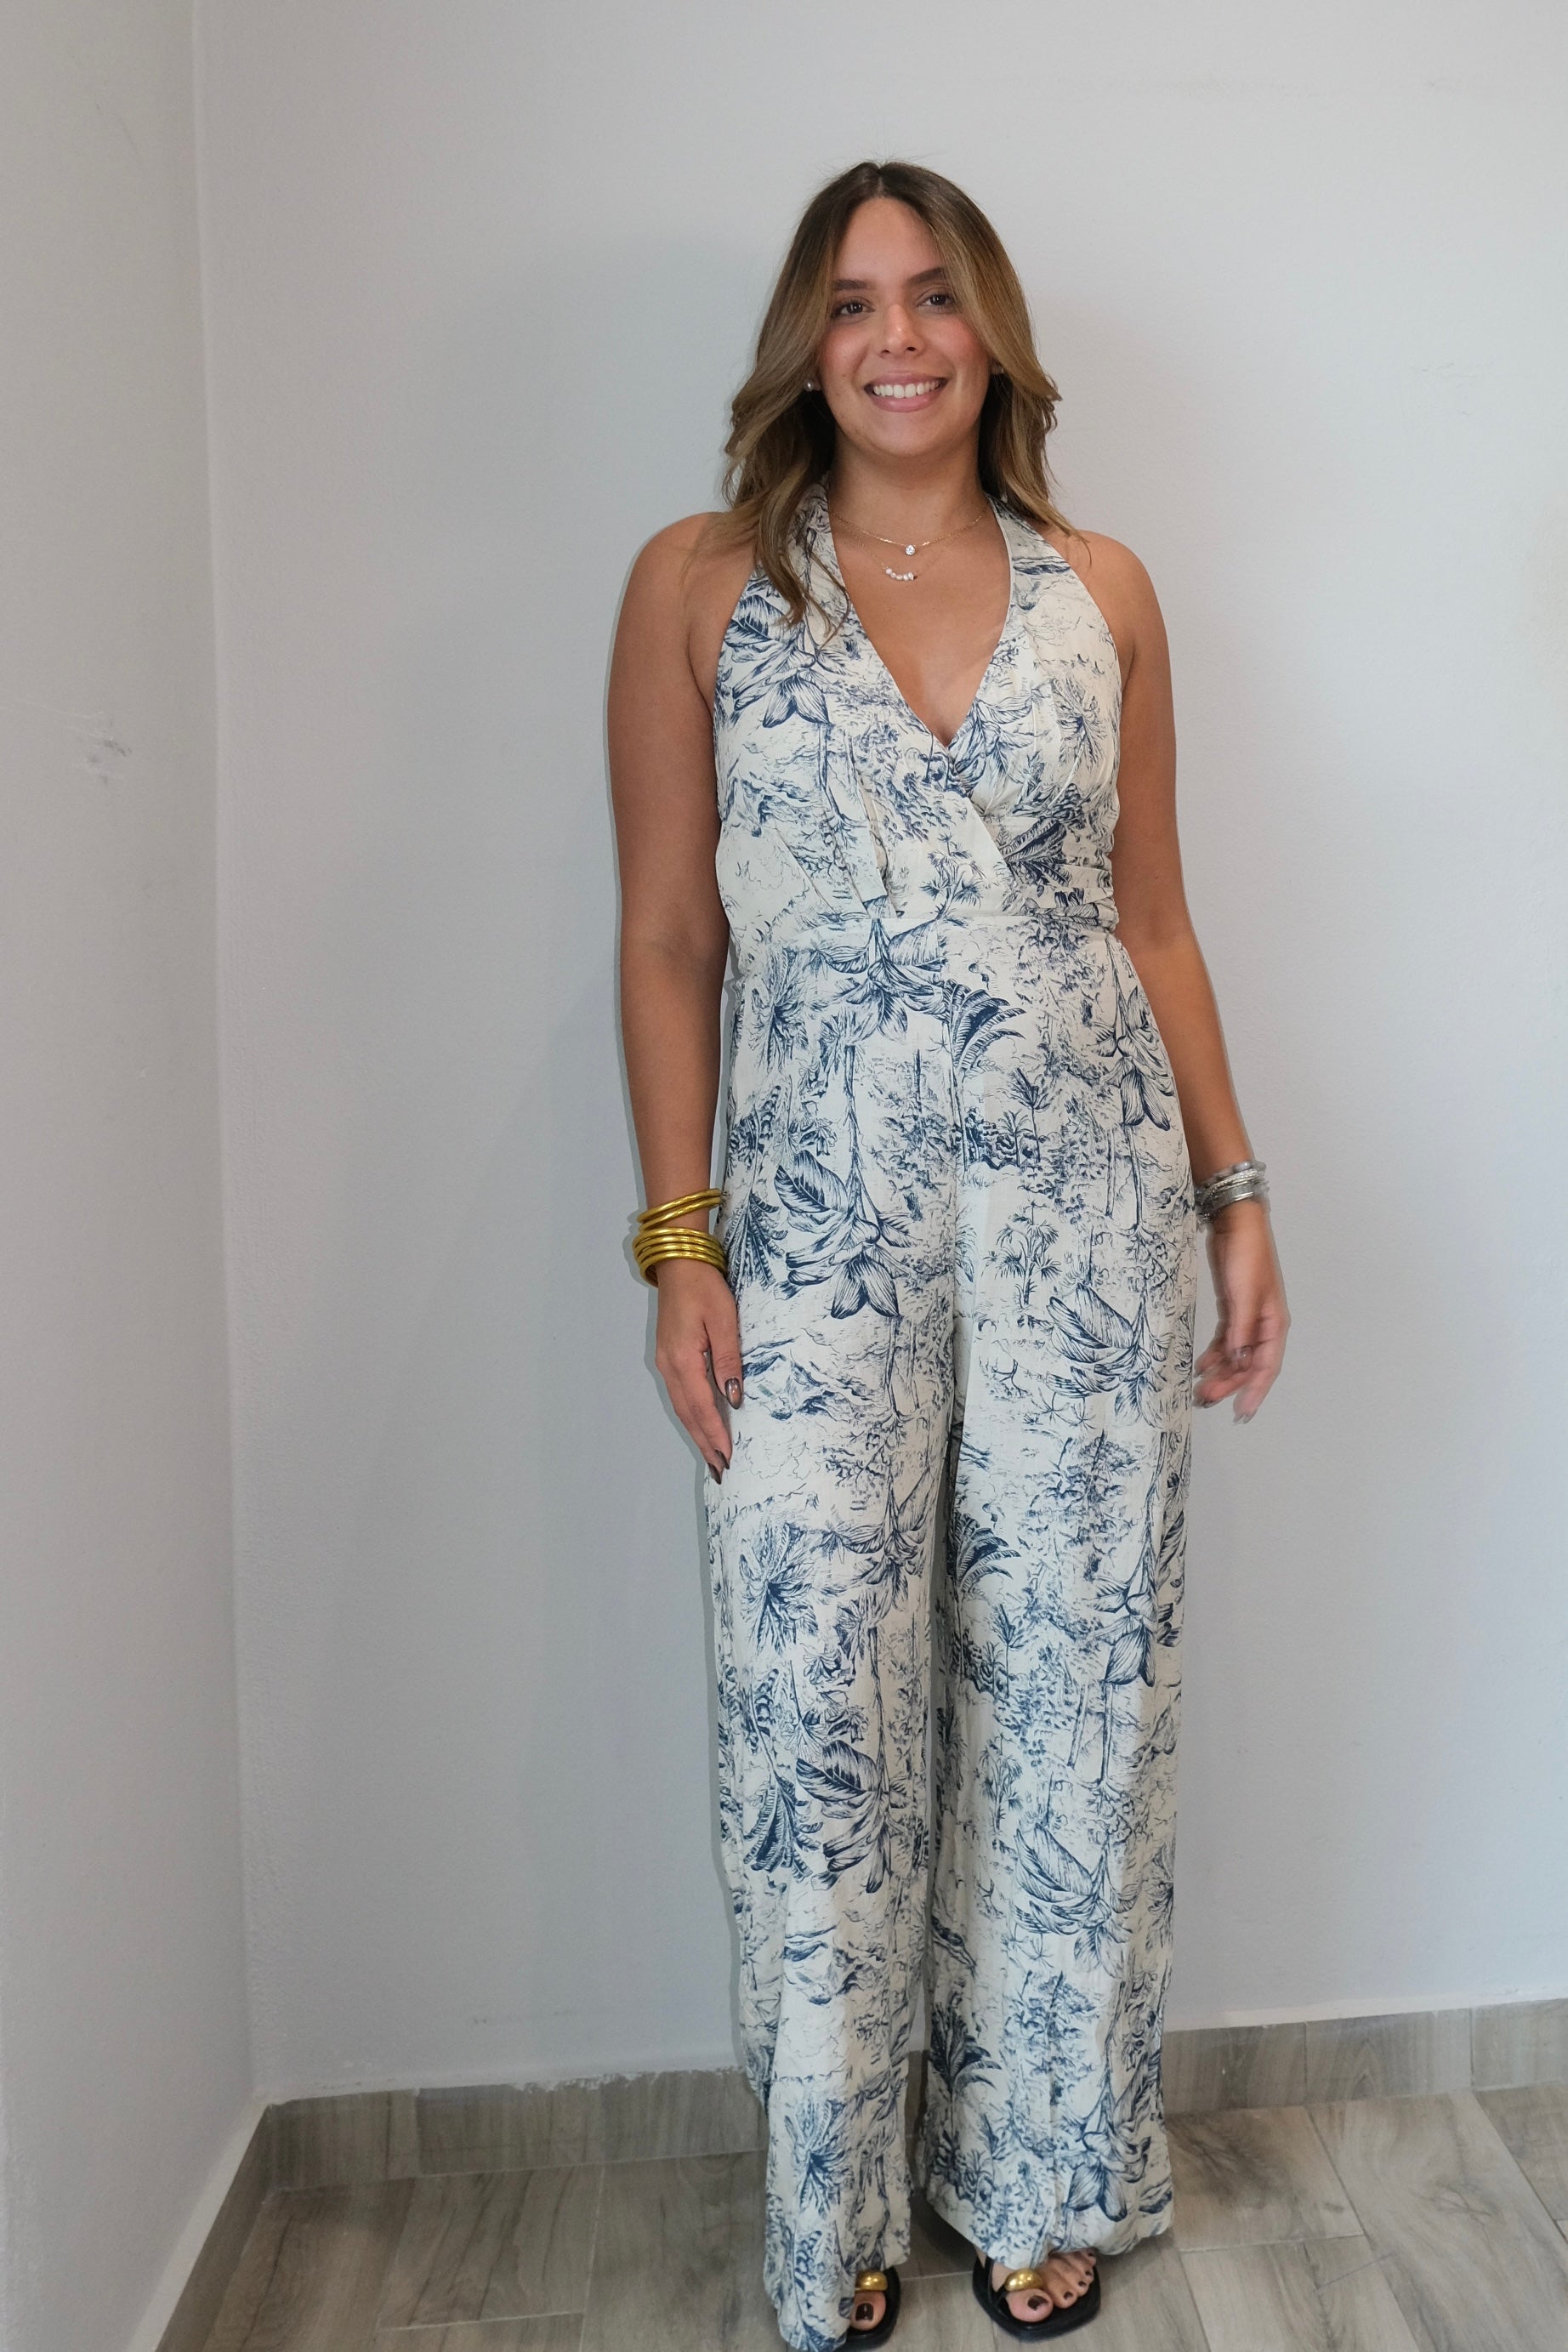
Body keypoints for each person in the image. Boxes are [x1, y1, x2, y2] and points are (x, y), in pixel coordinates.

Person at [608, 158, 1288, 2352]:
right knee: (817, 1705)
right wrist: (681, 1244)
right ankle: (836, 2199)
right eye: (850, 302)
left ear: (990, 331)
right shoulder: (703, 584)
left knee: (1075, 1701)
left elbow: (1154, 921)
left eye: (932, 297)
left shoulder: (1107, 590)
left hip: (1086, 1209)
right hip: (812, 1230)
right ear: (802, 345)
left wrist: (1236, 1194)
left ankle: (1040, 2168)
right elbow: (668, 937)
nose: (895, 339)